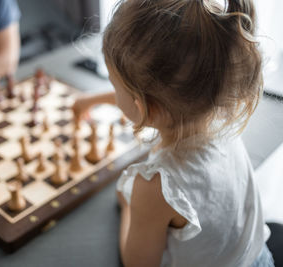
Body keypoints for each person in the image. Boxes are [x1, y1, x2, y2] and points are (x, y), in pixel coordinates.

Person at [73, 0, 274, 266]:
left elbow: (138, 264)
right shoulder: (216, 114)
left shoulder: (155, 187)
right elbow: (150, 100)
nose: (112, 87)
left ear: (143, 106)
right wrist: (93, 99)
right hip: (260, 259)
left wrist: (129, 208)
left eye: (113, 83)